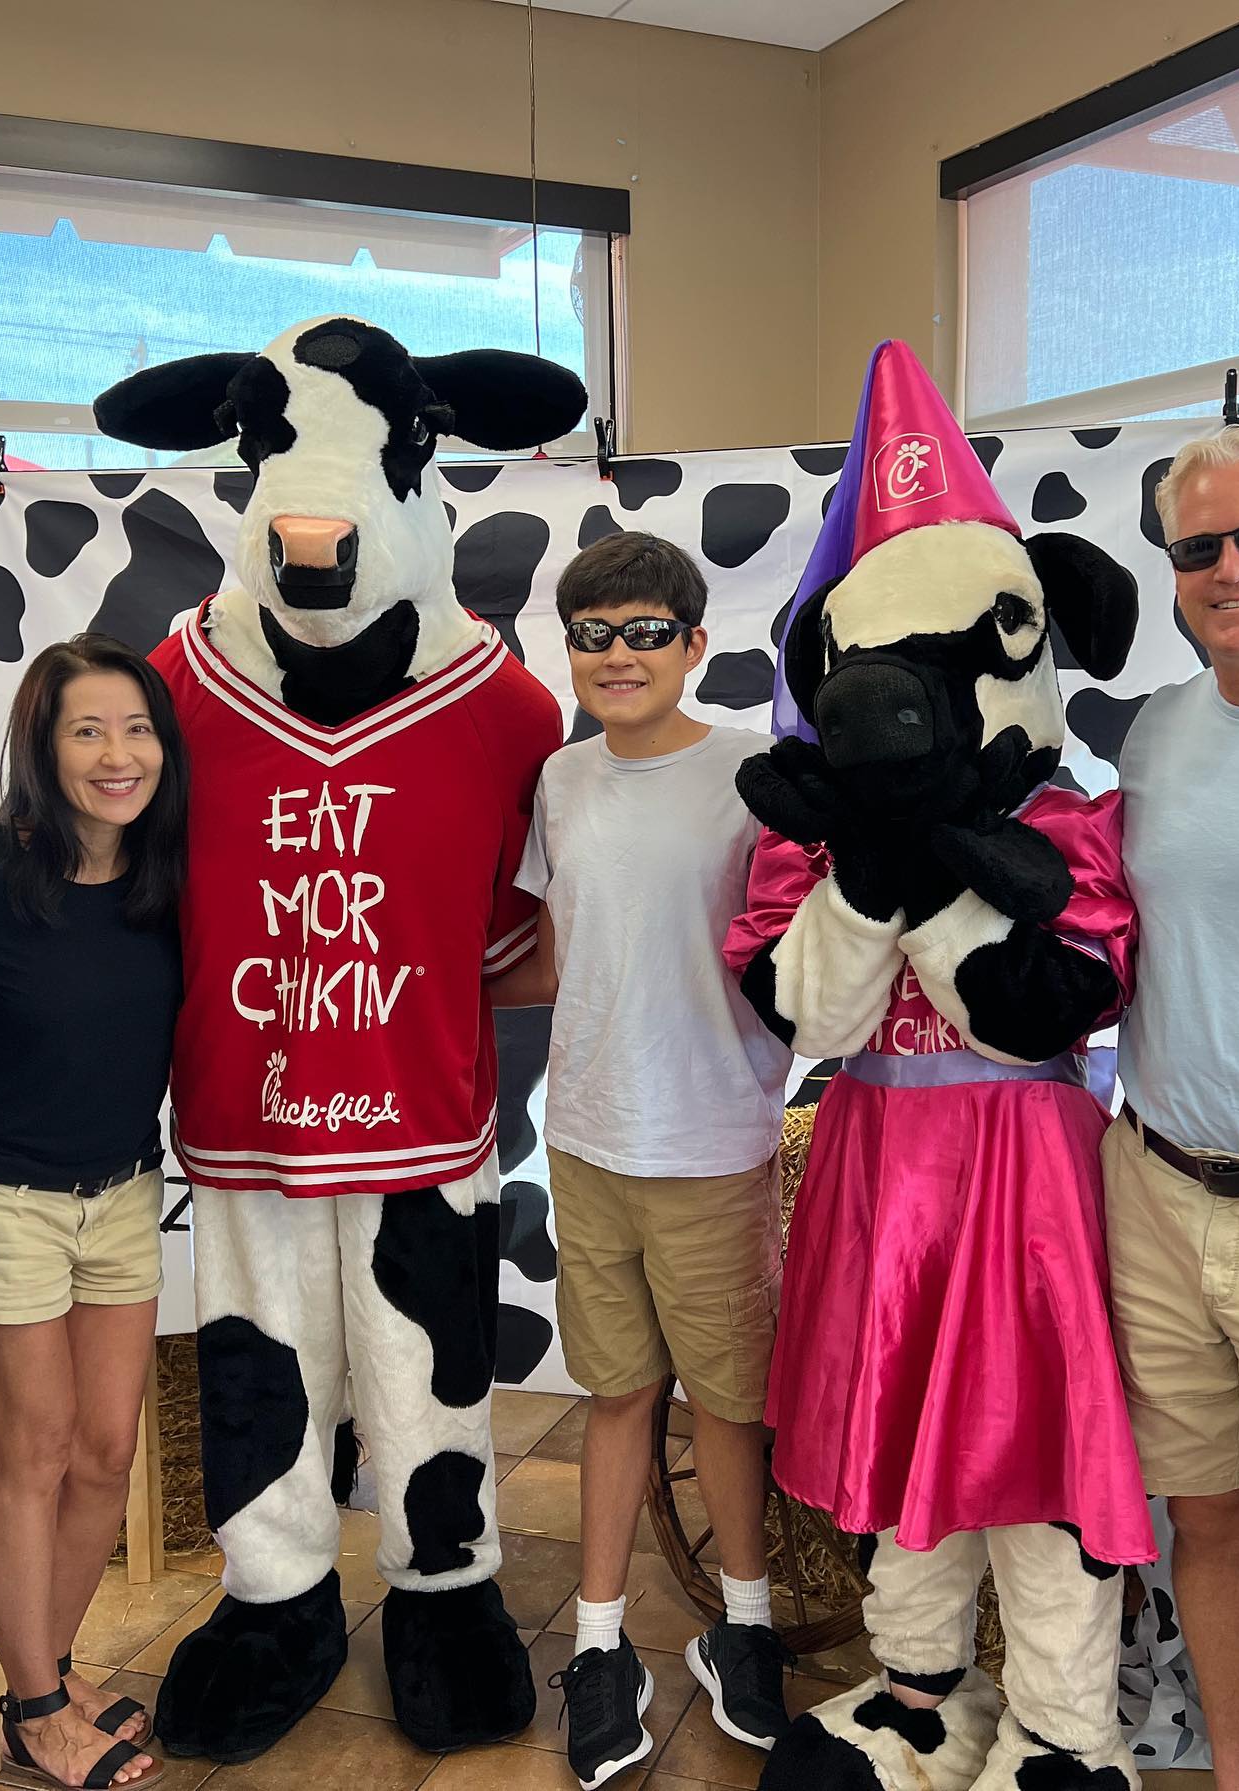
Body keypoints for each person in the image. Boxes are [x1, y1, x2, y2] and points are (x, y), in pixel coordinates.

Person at [490, 531, 793, 1789]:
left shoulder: (756, 773)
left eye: (646, 633)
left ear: (695, 643)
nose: (619, 656)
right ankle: (602, 1643)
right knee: (616, 1394)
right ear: (569, 649)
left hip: (714, 1140)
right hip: (590, 1136)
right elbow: (555, 950)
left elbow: (798, 947)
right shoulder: (560, 781)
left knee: (728, 1401)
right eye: (593, 635)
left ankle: (745, 1626)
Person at [0, 635, 188, 1791]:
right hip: (3, 1203)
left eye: (137, 729)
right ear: (42, 747)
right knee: (31, 1453)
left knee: (104, 1454)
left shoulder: (167, 879)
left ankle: (49, 1670)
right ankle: (36, 1711)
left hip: (126, 1194)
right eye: (86, 730)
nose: (116, 754)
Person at [1105, 424, 1239, 1791]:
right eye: (1200, 547)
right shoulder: (1156, 731)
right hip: (1156, 1183)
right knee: (1208, 1517)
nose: (1232, 568)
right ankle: (1238, 1770)